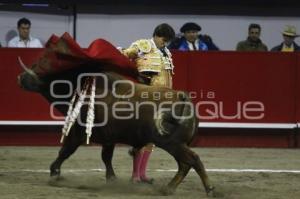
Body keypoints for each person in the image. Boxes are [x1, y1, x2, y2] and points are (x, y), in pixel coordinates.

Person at [121, 23, 175, 183]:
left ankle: (142, 174)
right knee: (141, 137)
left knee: (152, 138)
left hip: (161, 100)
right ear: (157, 35)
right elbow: (123, 57)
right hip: (145, 99)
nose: (165, 43)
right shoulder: (142, 45)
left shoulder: (166, 52)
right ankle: (135, 175)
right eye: (164, 40)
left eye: (167, 41)